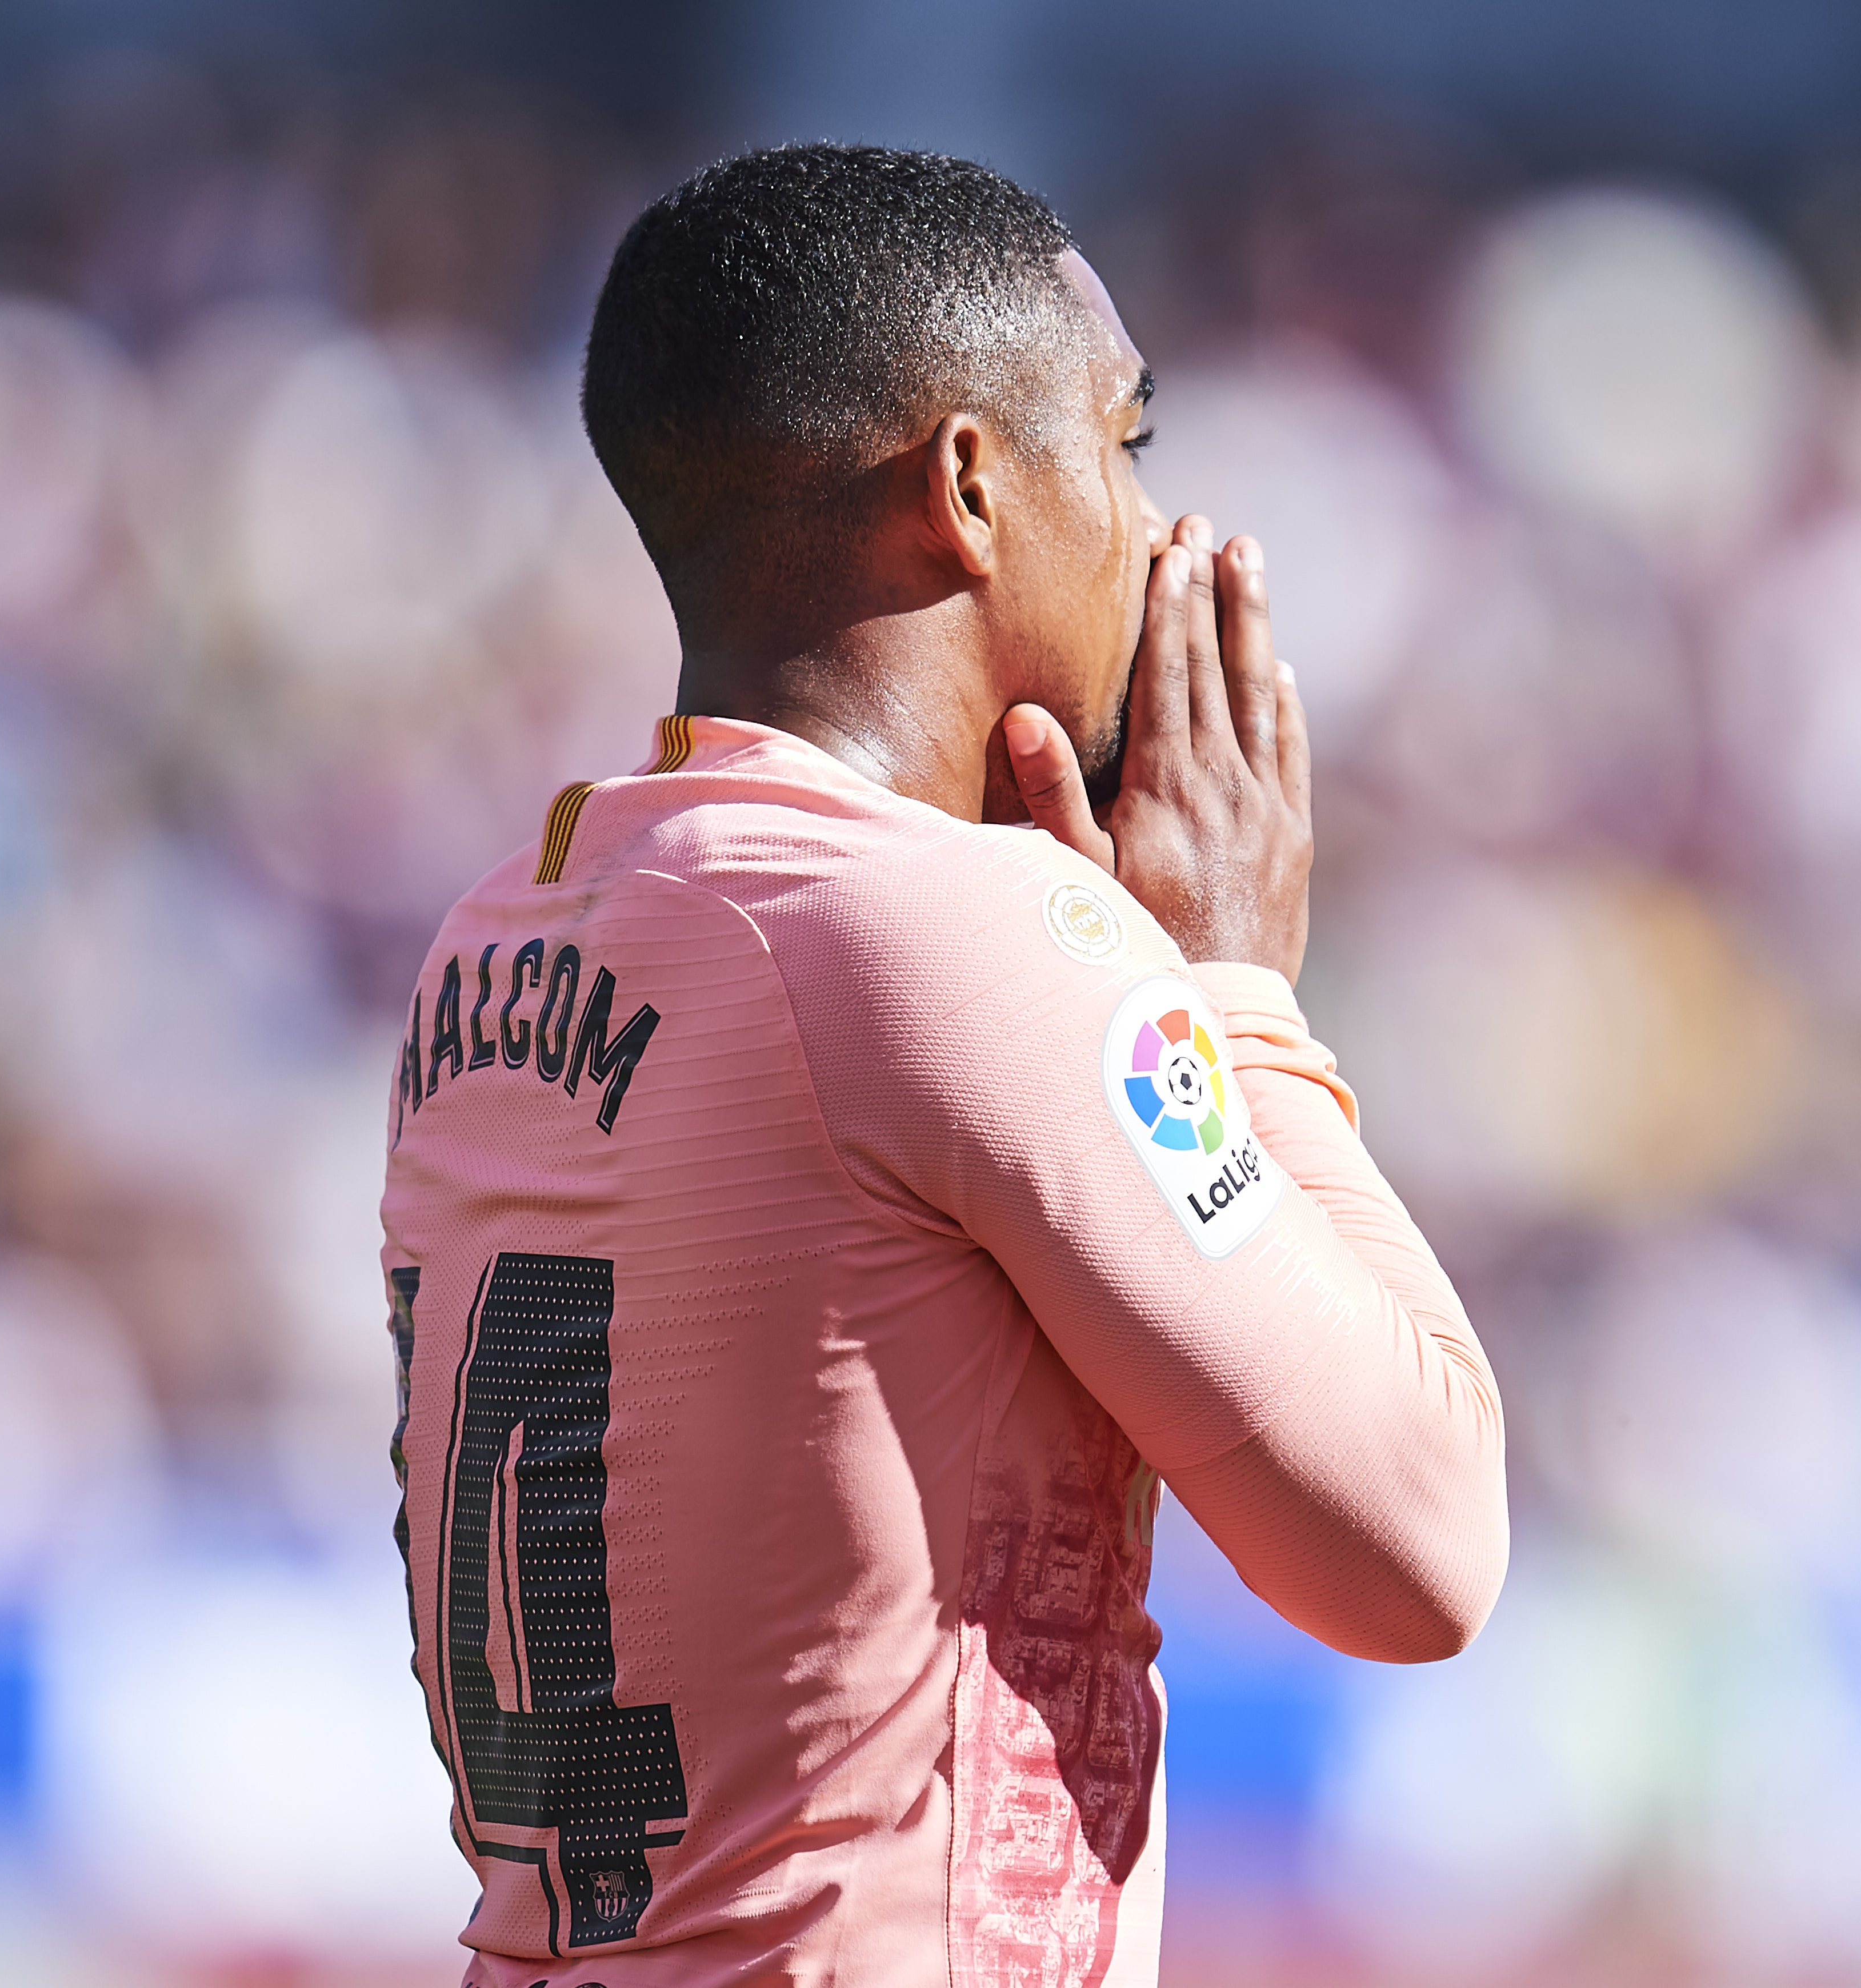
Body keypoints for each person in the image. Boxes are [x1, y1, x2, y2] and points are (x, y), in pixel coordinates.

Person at [380, 143, 1506, 1988]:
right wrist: (1234, 995)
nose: (1157, 526)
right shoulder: (967, 934)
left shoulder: (496, 941)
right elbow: (1421, 1548)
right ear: (972, 487)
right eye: (1127, 441)